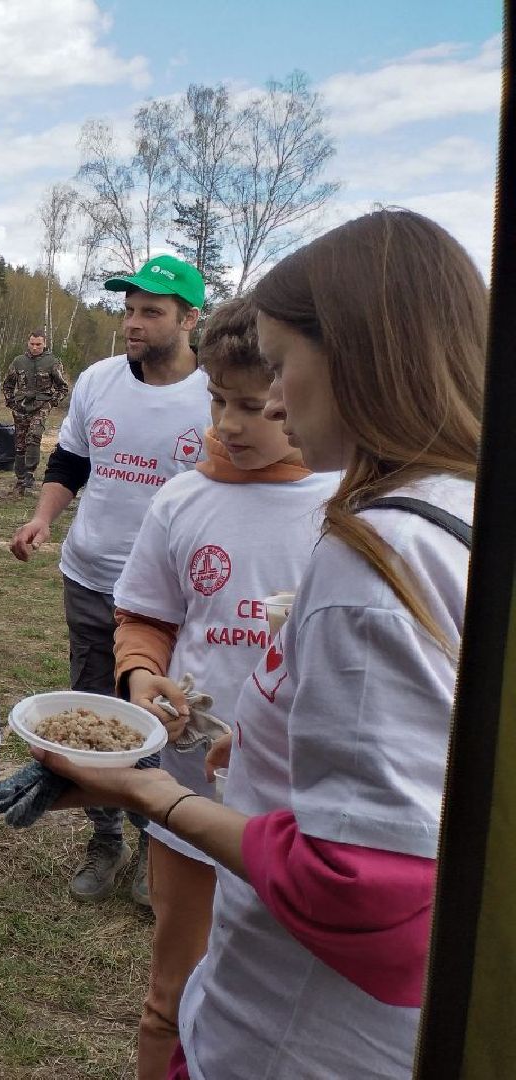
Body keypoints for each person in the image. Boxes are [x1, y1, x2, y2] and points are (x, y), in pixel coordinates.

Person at [35, 209, 482, 1079]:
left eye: (279, 371)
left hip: (296, 1038)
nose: (266, 406)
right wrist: (266, 735)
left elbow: (366, 889)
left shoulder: (374, 557)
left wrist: (151, 798)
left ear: (364, 356)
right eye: (231, 395)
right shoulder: (459, 511)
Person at [109, 295, 337, 1079]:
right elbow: (144, 618)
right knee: (172, 993)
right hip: (190, 793)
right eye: (216, 400)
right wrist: (142, 676)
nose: (230, 424)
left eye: (250, 405)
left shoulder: (345, 507)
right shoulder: (181, 499)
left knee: (278, 1002)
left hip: (301, 805)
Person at [10, 254, 209, 905]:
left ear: (188, 318)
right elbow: (70, 461)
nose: (133, 322)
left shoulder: (214, 397)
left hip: (175, 598)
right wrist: (43, 518)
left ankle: (161, 845)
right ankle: (105, 840)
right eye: (128, 309)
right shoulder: (97, 382)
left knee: (167, 723)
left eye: (151, 311)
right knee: (93, 712)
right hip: (92, 579)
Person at [1, 331, 68, 496]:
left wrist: (51, 402)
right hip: (21, 406)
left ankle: (30, 473)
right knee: (20, 441)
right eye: (32, 344)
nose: (35, 347)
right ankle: (20, 477)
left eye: (38, 344)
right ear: (28, 343)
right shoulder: (18, 361)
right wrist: (11, 402)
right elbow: (7, 384)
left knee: (34, 435)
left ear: (44, 344)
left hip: (41, 405)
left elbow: (63, 387)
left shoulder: (52, 362)